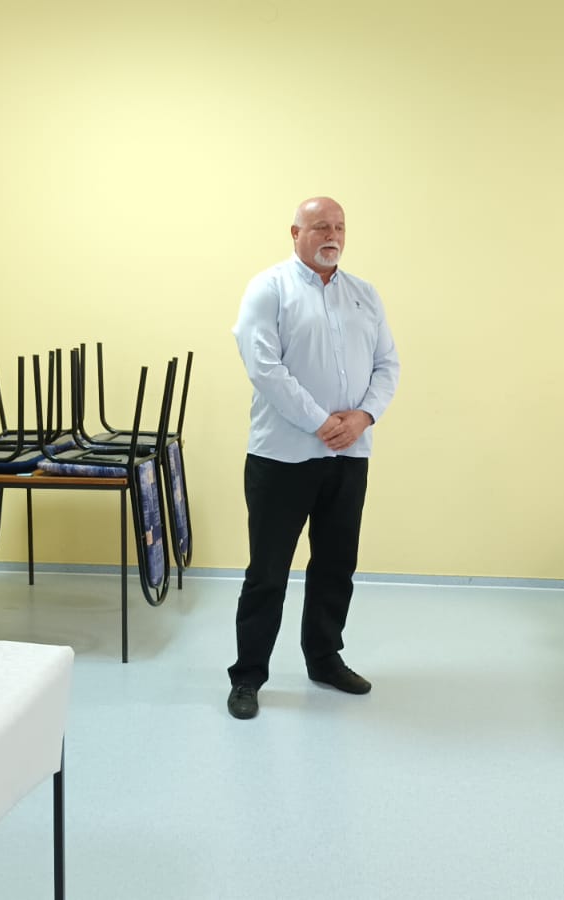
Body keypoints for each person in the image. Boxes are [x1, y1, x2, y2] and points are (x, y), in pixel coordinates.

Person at [225, 196, 400, 720]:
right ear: (295, 232)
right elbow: (263, 366)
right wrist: (319, 421)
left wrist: (363, 417)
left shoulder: (364, 295)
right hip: (282, 457)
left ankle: (324, 659)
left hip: (349, 455)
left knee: (336, 564)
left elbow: (387, 364)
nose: (332, 236)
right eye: (321, 226)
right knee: (268, 572)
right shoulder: (269, 288)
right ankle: (248, 676)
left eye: (339, 227)